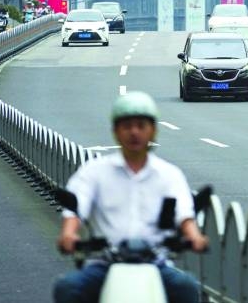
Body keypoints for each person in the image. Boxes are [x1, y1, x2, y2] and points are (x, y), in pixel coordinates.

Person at [53, 92, 208, 303]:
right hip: (105, 264)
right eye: (127, 126)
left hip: (155, 262)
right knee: (67, 288)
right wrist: (69, 234)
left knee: (187, 287)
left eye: (141, 125)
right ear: (116, 131)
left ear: (153, 130)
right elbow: (76, 205)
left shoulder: (169, 174)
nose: (134, 132)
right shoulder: (94, 172)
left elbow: (184, 213)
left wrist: (194, 236)